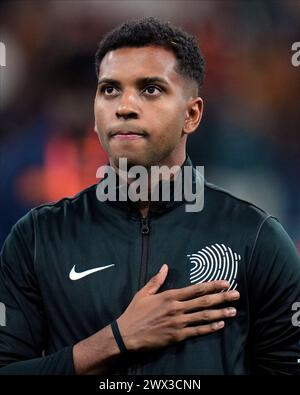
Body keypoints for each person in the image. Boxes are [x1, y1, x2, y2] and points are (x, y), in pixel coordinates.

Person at [0, 17, 300, 375]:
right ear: (95, 118)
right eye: (110, 89)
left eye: (150, 89)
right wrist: (116, 340)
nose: (124, 106)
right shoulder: (37, 238)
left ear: (191, 114)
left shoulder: (256, 238)